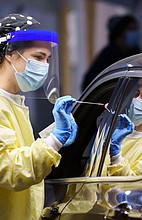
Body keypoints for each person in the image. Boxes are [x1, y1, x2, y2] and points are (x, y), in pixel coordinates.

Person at [0, 14, 78, 220]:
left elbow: (18, 149)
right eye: (38, 57)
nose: (44, 66)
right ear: (10, 53)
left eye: (48, 59)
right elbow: (9, 169)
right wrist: (54, 140)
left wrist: (54, 132)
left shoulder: (12, 101)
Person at [81, 14, 141, 91]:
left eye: (136, 29)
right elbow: (88, 84)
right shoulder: (107, 56)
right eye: (131, 29)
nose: (135, 33)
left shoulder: (136, 53)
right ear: (121, 33)